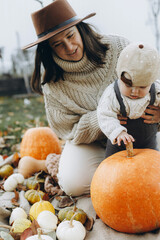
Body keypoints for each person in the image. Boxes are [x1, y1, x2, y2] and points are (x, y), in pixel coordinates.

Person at [23, 0, 160, 196]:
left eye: (70, 35)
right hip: (95, 144)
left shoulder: (118, 47)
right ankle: (54, 163)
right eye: (58, 44)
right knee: (74, 183)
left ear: (80, 29)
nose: (69, 47)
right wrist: (102, 119)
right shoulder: (53, 85)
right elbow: (69, 131)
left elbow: (153, 81)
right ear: (48, 49)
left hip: (142, 133)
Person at [97, 42, 160, 157]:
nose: (134, 92)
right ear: (119, 77)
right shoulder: (112, 94)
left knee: (153, 165)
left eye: (142, 87)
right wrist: (117, 132)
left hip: (148, 142)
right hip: (119, 143)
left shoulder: (157, 91)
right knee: (111, 168)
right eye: (128, 85)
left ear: (151, 82)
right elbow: (104, 115)